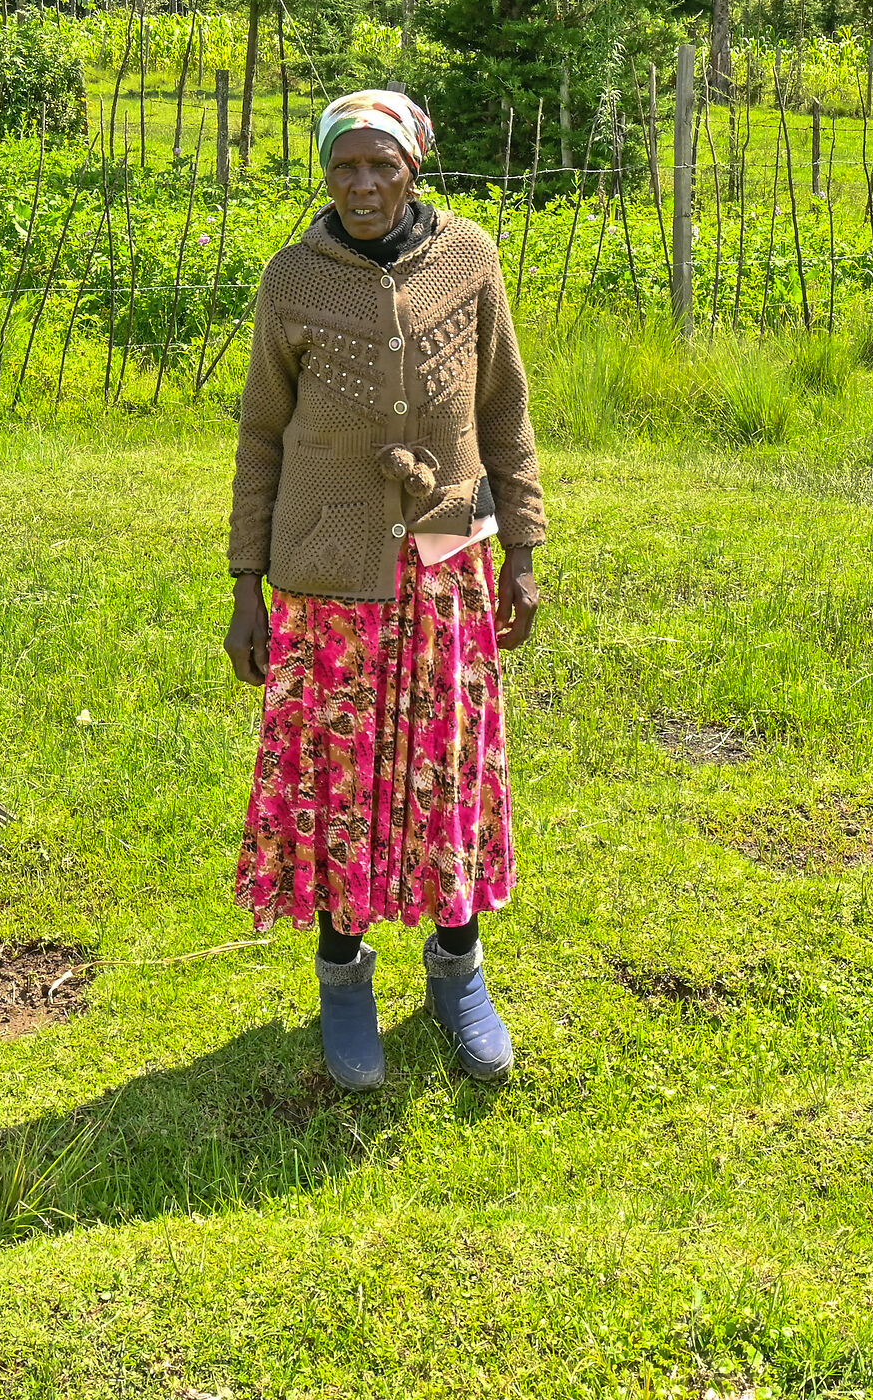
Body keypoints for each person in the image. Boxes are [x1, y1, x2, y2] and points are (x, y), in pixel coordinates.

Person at [223, 89, 546, 1091]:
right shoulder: (292, 280)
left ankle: (458, 971)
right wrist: (245, 584)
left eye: (382, 166)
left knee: (444, 769)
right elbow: (261, 436)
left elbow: (505, 409)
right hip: (330, 575)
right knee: (341, 783)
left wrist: (524, 549)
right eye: (344, 167)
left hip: (448, 561)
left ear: (416, 167)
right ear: (326, 174)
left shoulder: (471, 260)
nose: (362, 186)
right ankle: (343, 981)